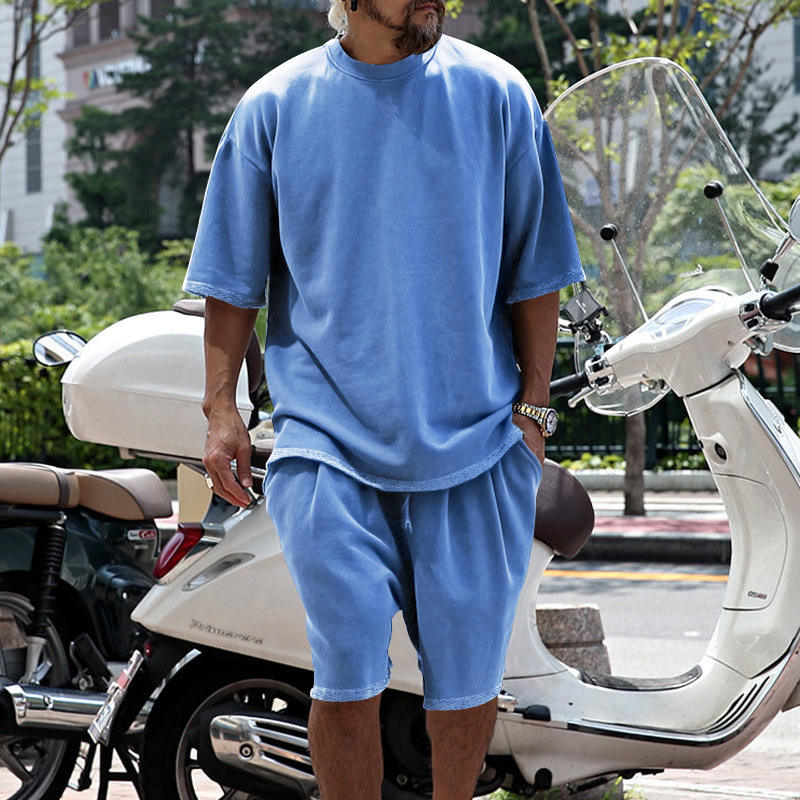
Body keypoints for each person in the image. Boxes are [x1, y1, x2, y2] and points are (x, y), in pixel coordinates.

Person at [186, 0, 584, 795]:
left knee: (467, 687)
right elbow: (232, 280)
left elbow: (537, 271)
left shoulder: (500, 94)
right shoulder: (274, 106)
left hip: (478, 444)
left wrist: (534, 411)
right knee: (345, 677)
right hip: (326, 445)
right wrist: (221, 410)